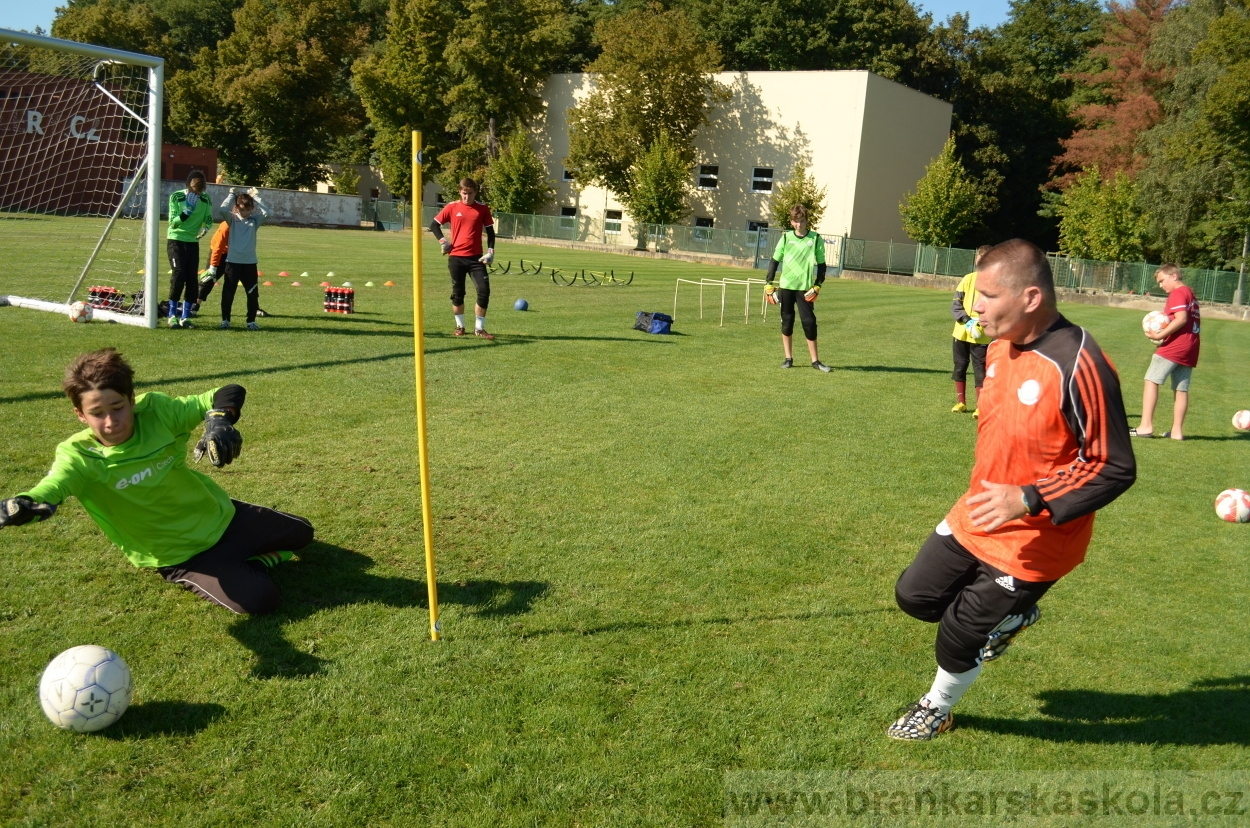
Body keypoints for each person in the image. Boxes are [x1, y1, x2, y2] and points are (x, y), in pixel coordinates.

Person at [888, 239, 1135, 741]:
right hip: (978, 512)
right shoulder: (998, 346)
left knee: (958, 635)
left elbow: (1112, 465)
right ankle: (1016, 613)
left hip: (1034, 539)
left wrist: (1027, 496)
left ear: (1029, 298)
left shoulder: (1079, 362)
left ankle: (937, 706)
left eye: (987, 296)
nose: (975, 306)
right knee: (915, 596)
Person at [0, 349, 313, 615]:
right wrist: (27, 502)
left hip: (222, 518)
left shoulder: (158, 412)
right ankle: (248, 565)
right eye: (97, 413)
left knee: (303, 533)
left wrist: (218, 420)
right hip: (182, 555)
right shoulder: (78, 456)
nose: (111, 422)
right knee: (262, 600)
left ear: (131, 399)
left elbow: (229, 391)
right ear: (80, 415)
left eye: (118, 407)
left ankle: (245, 546)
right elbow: (53, 486)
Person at [1132, 264, 1200, 441]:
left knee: (1151, 380)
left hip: (1174, 347)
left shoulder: (1177, 293)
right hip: (1190, 347)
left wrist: (1159, 335)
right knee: (1181, 389)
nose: (1161, 285)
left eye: (1162, 280)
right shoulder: (1189, 293)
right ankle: (1177, 432)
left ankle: (1145, 426)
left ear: (1174, 276)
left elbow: (1181, 318)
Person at [763, 204, 831, 372]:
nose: (799, 224)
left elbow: (822, 265)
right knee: (787, 322)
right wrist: (768, 284)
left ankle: (815, 361)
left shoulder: (815, 239)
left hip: (805, 288)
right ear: (791, 222)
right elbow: (774, 261)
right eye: (796, 221)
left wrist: (817, 285)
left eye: (802, 221)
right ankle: (788, 358)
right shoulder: (786, 238)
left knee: (809, 323)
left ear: (806, 220)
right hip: (786, 287)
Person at [429, 178, 496, 339]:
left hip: (476, 259)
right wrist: (443, 241)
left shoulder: (482, 208)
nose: (467, 197)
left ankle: (479, 329)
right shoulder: (452, 207)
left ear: (475, 192)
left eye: (470, 193)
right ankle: (460, 326)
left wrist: (490, 252)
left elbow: (491, 232)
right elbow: (434, 225)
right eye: (464, 193)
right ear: (460, 192)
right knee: (458, 293)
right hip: (456, 258)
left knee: (483, 290)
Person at [166, 170, 214, 328]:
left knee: (192, 279)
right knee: (178, 274)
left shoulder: (206, 200)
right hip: (176, 240)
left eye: (199, 192)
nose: (197, 194)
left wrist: (205, 228)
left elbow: (208, 219)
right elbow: (173, 223)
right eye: (194, 191)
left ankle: (185, 317)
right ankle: (172, 315)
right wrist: (187, 211)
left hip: (192, 242)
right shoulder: (177, 197)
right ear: (187, 186)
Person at [949, 245, 993, 416]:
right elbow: (955, 305)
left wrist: (981, 322)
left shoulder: (995, 283)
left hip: (982, 336)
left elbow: (996, 307)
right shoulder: (967, 279)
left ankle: (980, 406)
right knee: (960, 366)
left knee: (980, 370)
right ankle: (961, 403)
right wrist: (967, 322)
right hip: (961, 332)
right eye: (979, 259)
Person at [195, 220, 269, 319]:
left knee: (250, 283)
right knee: (209, 278)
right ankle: (194, 306)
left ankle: (254, 308)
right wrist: (213, 266)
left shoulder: (248, 223)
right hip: (220, 253)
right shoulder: (227, 225)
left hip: (237, 255)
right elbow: (218, 247)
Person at [218, 188, 269, 330]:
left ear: (252, 209)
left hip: (250, 264)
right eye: (242, 210)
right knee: (228, 293)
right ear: (237, 208)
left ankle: (251, 321)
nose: (245, 213)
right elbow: (222, 209)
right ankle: (225, 320)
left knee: (252, 294)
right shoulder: (232, 219)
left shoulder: (254, 221)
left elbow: (268, 213)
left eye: (248, 210)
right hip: (232, 263)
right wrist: (231, 195)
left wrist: (256, 197)